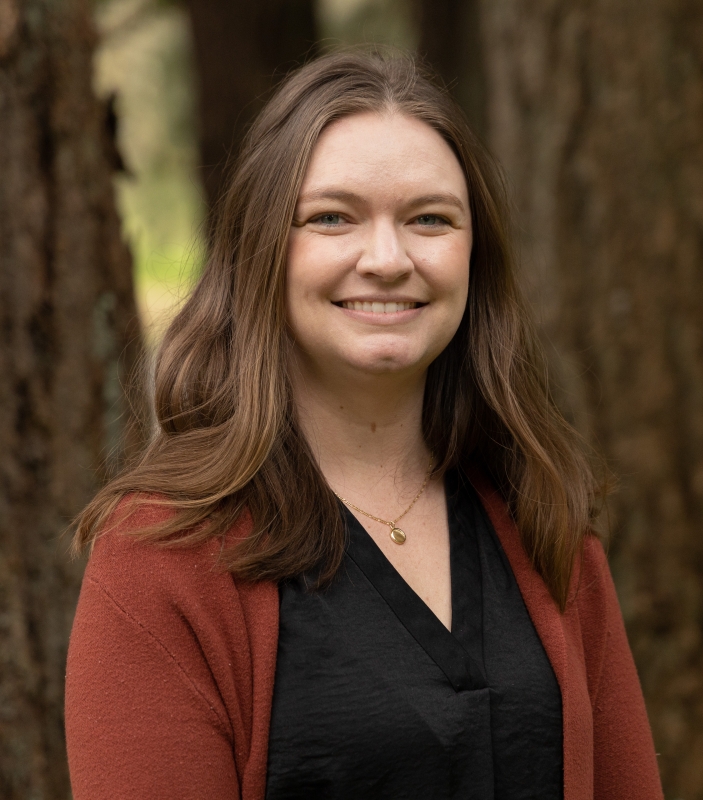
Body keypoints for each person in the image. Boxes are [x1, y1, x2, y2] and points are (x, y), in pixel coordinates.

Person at [65, 50, 663, 800]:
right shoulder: (162, 557)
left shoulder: (542, 518)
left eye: (430, 219)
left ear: (476, 257)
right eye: (332, 218)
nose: (387, 258)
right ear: (261, 252)